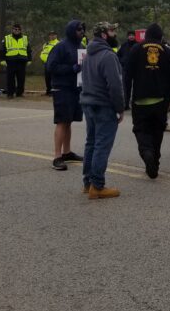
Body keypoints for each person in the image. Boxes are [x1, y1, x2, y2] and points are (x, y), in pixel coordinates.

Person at [124, 23, 170, 178]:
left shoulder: (135, 49)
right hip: (160, 100)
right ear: (160, 36)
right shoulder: (167, 51)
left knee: (141, 130)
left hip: (140, 100)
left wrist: (126, 98)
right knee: (157, 131)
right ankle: (155, 161)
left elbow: (127, 77)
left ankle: (146, 152)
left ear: (146, 36)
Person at [79, 22, 125, 199]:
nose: (115, 34)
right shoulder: (108, 56)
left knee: (91, 143)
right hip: (103, 106)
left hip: (88, 103)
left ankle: (88, 183)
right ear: (105, 35)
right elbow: (115, 86)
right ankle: (97, 186)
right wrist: (120, 108)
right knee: (101, 145)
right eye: (113, 31)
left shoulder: (88, 55)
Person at [45, 21, 85, 171]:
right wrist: (71, 68)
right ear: (71, 31)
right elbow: (51, 67)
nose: (82, 32)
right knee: (62, 121)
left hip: (76, 88)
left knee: (69, 121)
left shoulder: (81, 47)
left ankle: (67, 152)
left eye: (83, 29)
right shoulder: (60, 47)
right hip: (62, 88)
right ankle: (57, 157)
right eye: (79, 29)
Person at [0, 23, 31, 98]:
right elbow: (2, 50)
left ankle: (19, 93)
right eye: (15, 29)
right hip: (10, 61)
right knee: (10, 78)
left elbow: (29, 50)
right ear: (12, 30)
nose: (17, 30)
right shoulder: (6, 38)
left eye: (18, 29)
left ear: (20, 30)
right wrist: (2, 59)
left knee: (21, 78)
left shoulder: (25, 38)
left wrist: (30, 59)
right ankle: (10, 93)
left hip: (22, 61)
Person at [39, 31, 59, 96]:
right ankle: (48, 91)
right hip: (46, 63)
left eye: (53, 35)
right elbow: (43, 52)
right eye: (50, 35)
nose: (52, 36)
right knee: (47, 78)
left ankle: (53, 92)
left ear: (56, 36)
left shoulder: (58, 43)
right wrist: (42, 58)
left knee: (53, 78)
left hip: (54, 64)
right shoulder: (46, 44)